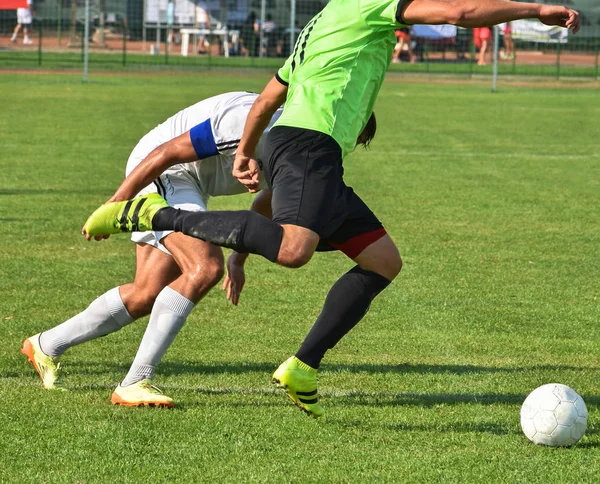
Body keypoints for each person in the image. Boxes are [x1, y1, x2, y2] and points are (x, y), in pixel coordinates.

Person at [84, 0, 580, 418]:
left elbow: (270, 94)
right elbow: (462, 10)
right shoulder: (370, 4)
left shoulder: (321, 22)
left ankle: (303, 365)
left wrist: (244, 151)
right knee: (295, 250)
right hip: (307, 146)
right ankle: (153, 216)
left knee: (383, 261)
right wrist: (536, 9)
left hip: (312, 153)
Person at [21, 92, 284, 407]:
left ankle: (45, 344)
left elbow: (264, 203)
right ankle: (135, 381)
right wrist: (116, 205)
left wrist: (238, 260)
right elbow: (168, 151)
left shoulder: (309, 148)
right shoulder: (249, 119)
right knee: (205, 267)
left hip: (190, 185)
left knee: (146, 292)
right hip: (163, 169)